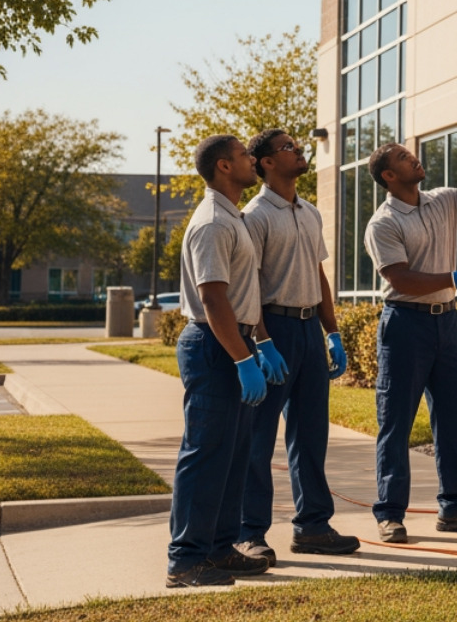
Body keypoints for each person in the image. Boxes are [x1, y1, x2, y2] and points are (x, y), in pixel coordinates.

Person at [363, 141, 457, 542]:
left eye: (408, 152)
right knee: (396, 423)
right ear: (389, 177)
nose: (413, 156)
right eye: (401, 157)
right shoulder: (383, 223)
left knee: (452, 419)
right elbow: (400, 278)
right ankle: (390, 513)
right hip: (404, 325)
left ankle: (456, 508)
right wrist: (454, 279)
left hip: (447, 323)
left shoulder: (444, 200)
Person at [234, 130, 361, 564]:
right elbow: (248, 286)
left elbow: (319, 275)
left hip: (309, 332)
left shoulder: (309, 212)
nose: (299, 150)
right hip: (275, 333)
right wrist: (263, 343)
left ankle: (313, 526)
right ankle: (248, 532)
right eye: (288, 147)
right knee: (258, 438)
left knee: (310, 435)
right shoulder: (255, 216)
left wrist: (332, 331)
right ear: (266, 162)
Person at [166, 135, 285, 587]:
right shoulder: (213, 222)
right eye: (242, 157)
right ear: (222, 167)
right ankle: (185, 560)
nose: (251, 160)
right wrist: (241, 359)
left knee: (233, 455)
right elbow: (213, 298)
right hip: (214, 348)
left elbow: (239, 294)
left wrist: (259, 343)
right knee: (205, 455)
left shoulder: (232, 216)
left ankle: (218, 548)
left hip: (234, 344)